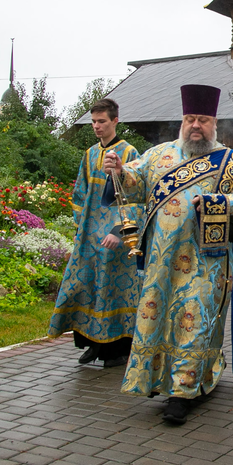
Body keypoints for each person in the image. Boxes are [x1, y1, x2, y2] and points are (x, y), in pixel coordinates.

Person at [102, 84, 233, 425]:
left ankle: (182, 392)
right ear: (183, 120)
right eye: (190, 118)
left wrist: (221, 202)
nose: (195, 126)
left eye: (203, 120)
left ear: (214, 123)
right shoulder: (158, 155)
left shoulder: (231, 164)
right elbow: (135, 181)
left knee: (194, 322)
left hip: (207, 263)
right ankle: (157, 380)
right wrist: (118, 168)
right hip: (162, 261)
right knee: (159, 321)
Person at [48, 98, 141, 367]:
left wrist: (118, 231)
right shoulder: (89, 155)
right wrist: (82, 225)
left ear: (115, 121)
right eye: (94, 122)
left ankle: (116, 350)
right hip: (89, 235)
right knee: (85, 285)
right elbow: (80, 193)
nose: (97, 127)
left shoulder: (129, 153)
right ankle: (91, 344)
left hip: (118, 239)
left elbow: (137, 198)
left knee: (113, 291)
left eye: (102, 121)